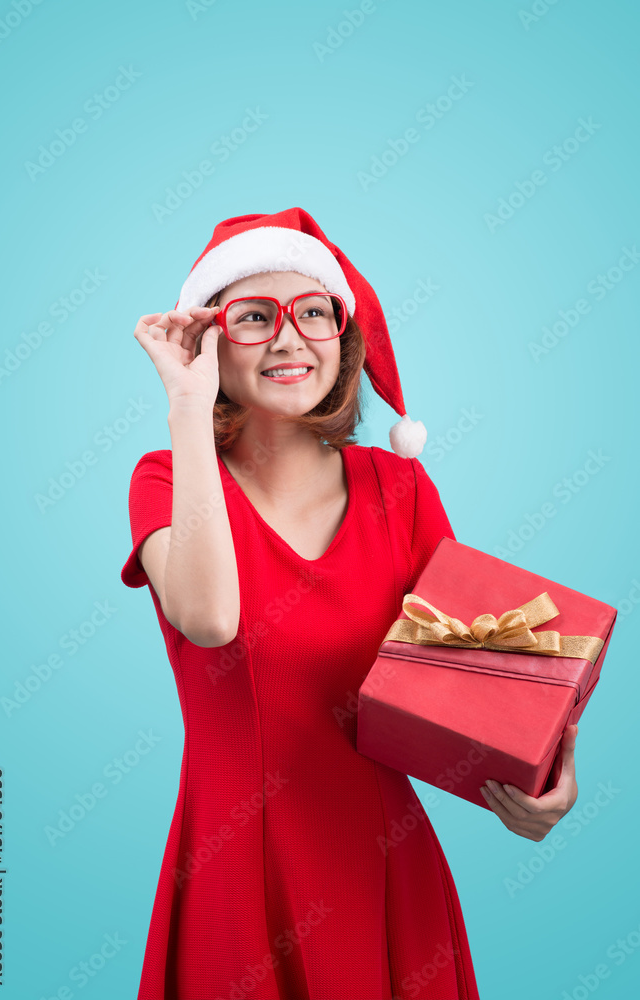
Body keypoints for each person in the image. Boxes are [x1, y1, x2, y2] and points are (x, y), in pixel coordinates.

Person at [120, 207, 579, 1000]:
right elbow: (209, 619)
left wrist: (544, 775)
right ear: (209, 338)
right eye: (254, 317)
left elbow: (471, 678)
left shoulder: (398, 490)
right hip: (238, 867)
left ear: (343, 337)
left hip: (385, 867)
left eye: (313, 313)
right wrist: (187, 407)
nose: (290, 337)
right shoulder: (164, 479)